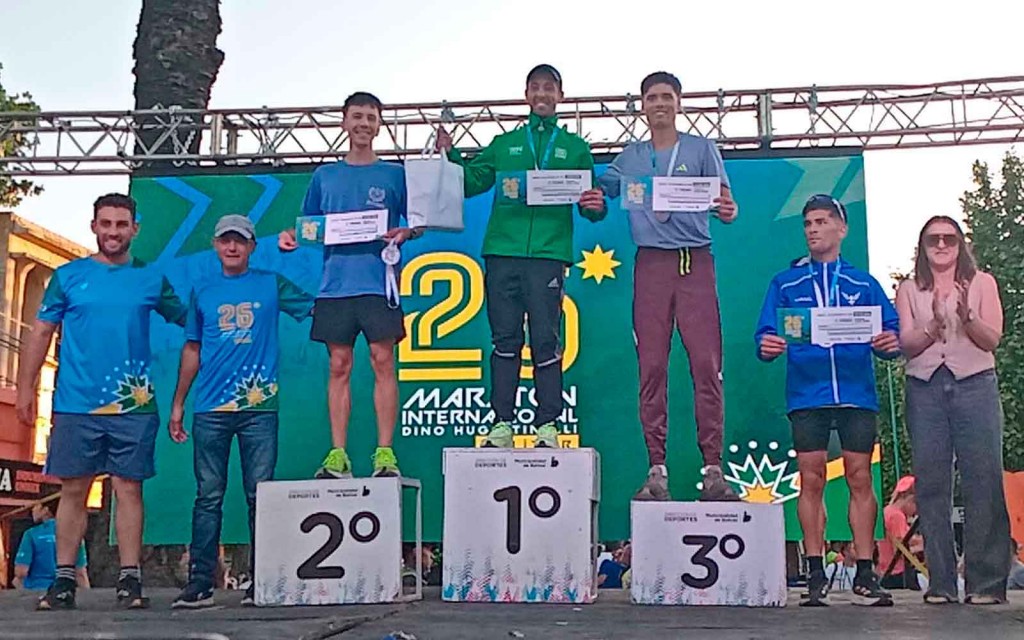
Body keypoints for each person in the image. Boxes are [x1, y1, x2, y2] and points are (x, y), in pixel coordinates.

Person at [16, 193, 187, 610]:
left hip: (134, 405)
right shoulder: (68, 276)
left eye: (121, 224)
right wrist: (25, 388)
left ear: (135, 229)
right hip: (77, 403)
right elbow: (39, 333)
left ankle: (130, 581)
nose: (113, 231)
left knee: (129, 489)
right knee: (73, 490)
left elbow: (192, 320)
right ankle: (62, 581)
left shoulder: (152, 279)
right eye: (106, 224)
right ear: (94, 226)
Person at [436, 64, 607, 448]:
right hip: (502, 252)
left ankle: (548, 424)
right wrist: (451, 156)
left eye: (550, 88)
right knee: (505, 339)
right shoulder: (505, 143)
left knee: (546, 340)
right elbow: (471, 181)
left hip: (548, 255)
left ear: (560, 95)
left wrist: (596, 206)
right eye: (536, 88)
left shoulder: (576, 148)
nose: (543, 95)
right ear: (526, 94)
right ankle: (502, 423)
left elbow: (591, 205)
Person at [598, 71, 738, 501]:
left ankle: (712, 470)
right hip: (652, 265)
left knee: (705, 366)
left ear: (679, 103)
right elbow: (600, 191)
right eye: (652, 97)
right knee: (652, 366)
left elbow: (725, 204)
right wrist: (590, 197)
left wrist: (727, 209)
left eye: (666, 96)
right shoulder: (631, 157)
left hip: (694, 260)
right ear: (642, 106)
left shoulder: (701, 149)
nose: (659, 103)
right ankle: (656, 469)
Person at [755, 194, 900, 607]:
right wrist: (767, 345)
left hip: (856, 393)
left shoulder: (863, 283)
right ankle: (815, 572)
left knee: (859, 477)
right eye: (808, 223)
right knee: (812, 478)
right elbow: (764, 335)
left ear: (842, 228)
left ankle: (865, 572)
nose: (814, 229)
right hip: (807, 393)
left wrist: (890, 342)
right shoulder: (786, 283)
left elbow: (891, 334)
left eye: (822, 221)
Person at [170, 215, 313, 609]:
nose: (232, 247)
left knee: (260, 496)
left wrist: (305, 252)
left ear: (252, 247)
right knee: (208, 496)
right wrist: (179, 403)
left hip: (259, 409)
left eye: (240, 241)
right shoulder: (203, 289)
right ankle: (200, 583)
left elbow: (315, 306)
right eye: (225, 240)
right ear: (215, 245)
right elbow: (192, 349)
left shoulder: (271, 282)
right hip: (211, 408)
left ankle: (262, 581)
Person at [279, 92, 419, 478]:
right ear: (343, 122)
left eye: (371, 118)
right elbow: (309, 225)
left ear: (379, 126)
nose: (363, 124)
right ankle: (338, 454)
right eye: (357, 116)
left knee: (382, 361)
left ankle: (385, 453)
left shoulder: (395, 174)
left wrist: (407, 231)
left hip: (379, 284)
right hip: (335, 287)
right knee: (339, 365)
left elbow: (418, 219)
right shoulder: (325, 175)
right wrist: (290, 236)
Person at [895, 215, 1011, 605]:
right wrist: (933, 329)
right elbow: (905, 343)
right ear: (922, 247)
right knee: (930, 484)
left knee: (984, 479)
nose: (941, 245)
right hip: (925, 387)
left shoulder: (984, 283)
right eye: (933, 240)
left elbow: (992, 339)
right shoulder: (909, 289)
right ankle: (941, 582)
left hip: (975, 383)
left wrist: (967, 316)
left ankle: (986, 582)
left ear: (961, 245)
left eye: (949, 238)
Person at [13, 499, 89, 590]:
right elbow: (80, 573)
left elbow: (21, 572)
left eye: (37, 506)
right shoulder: (74, 535)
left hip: (36, 591)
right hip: (63, 592)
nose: (33, 510)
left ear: (45, 510)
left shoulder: (31, 534)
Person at [876, 475, 924, 590]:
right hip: (899, 573)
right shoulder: (897, 516)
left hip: (885, 570)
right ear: (907, 498)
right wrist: (922, 547)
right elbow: (901, 549)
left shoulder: (886, 511)